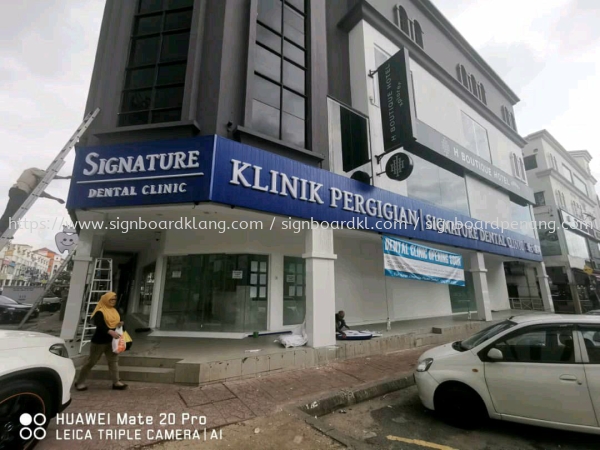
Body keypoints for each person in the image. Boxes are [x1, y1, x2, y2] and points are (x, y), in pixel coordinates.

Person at [75, 292, 128, 391]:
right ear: (105, 300)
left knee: (113, 361)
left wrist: (121, 325)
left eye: (114, 300)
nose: (113, 302)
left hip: (113, 341)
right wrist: (110, 331)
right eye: (111, 300)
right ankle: (80, 382)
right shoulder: (100, 312)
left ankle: (116, 382)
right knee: (91, 362)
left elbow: (122, 324)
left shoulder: (116, 310)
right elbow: (99, 325)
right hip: (99, 342)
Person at [0, 167, 71, 235]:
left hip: (16, 191)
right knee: (12, 212)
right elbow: (48, 176)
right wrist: (65, 177)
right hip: (20, 191)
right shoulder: (33, 170)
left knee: (10, 211)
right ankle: (2, 230)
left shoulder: (31, 181)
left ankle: (3, 230)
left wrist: (56, 199)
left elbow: (42, 193)